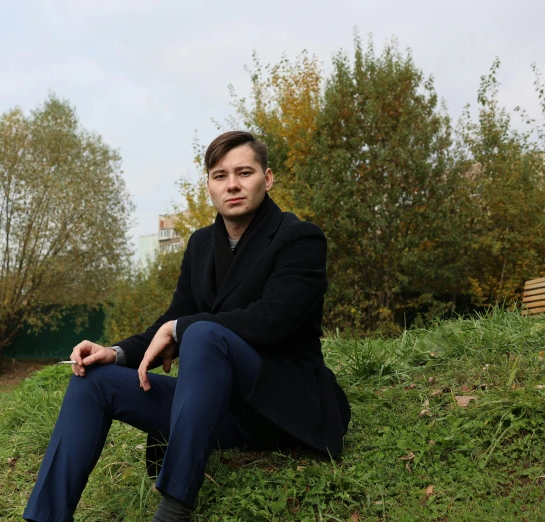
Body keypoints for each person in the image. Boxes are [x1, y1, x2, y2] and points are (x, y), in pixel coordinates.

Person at [23, 131, 351, 522]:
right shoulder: (199, 245)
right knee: (93, 379)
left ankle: (174, 509)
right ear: (209, 186)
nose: (232, 184)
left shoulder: (299, 238)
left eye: (244, 172)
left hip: (279, 407)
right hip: (212, 411)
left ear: (268, 178)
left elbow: (271, 321)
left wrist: (182, 328)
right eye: (220, 175)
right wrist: (116, 352)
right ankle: (46, 517)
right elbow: (173, 317)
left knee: (200, 333)